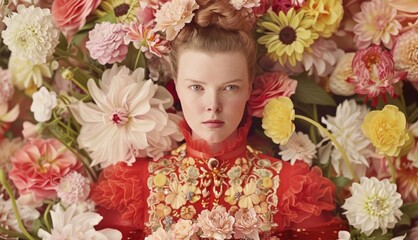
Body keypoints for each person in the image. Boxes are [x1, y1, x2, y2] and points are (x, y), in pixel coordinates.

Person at [91, 0, 346, 239]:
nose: (213, 105)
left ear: (249, 88)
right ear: (176, 87)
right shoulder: (134, 188)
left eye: (230, 88)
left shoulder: (292, 189)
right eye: (197, 88)